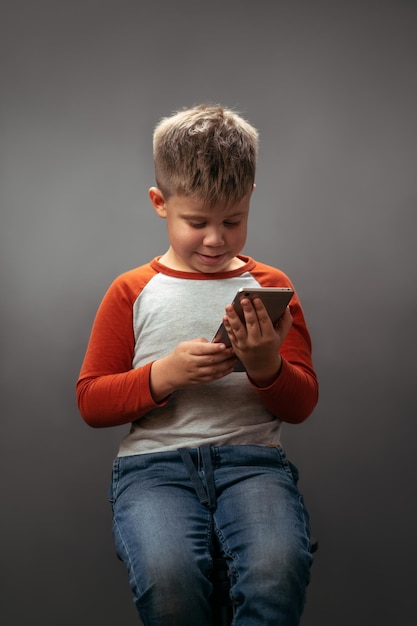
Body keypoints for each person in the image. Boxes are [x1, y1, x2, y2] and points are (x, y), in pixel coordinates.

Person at [76, 103, 319, 626]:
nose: (216, 239)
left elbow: (301, 403)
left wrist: (264, 365)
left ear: (249, 200)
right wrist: (165, 376)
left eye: (233, 221)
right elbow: (91, 401)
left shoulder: (272, 287)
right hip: (153, 469)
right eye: (197, 222)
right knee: (170, 580)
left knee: (278, 571)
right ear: (159, 203)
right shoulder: (132, 290)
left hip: (253, 463)